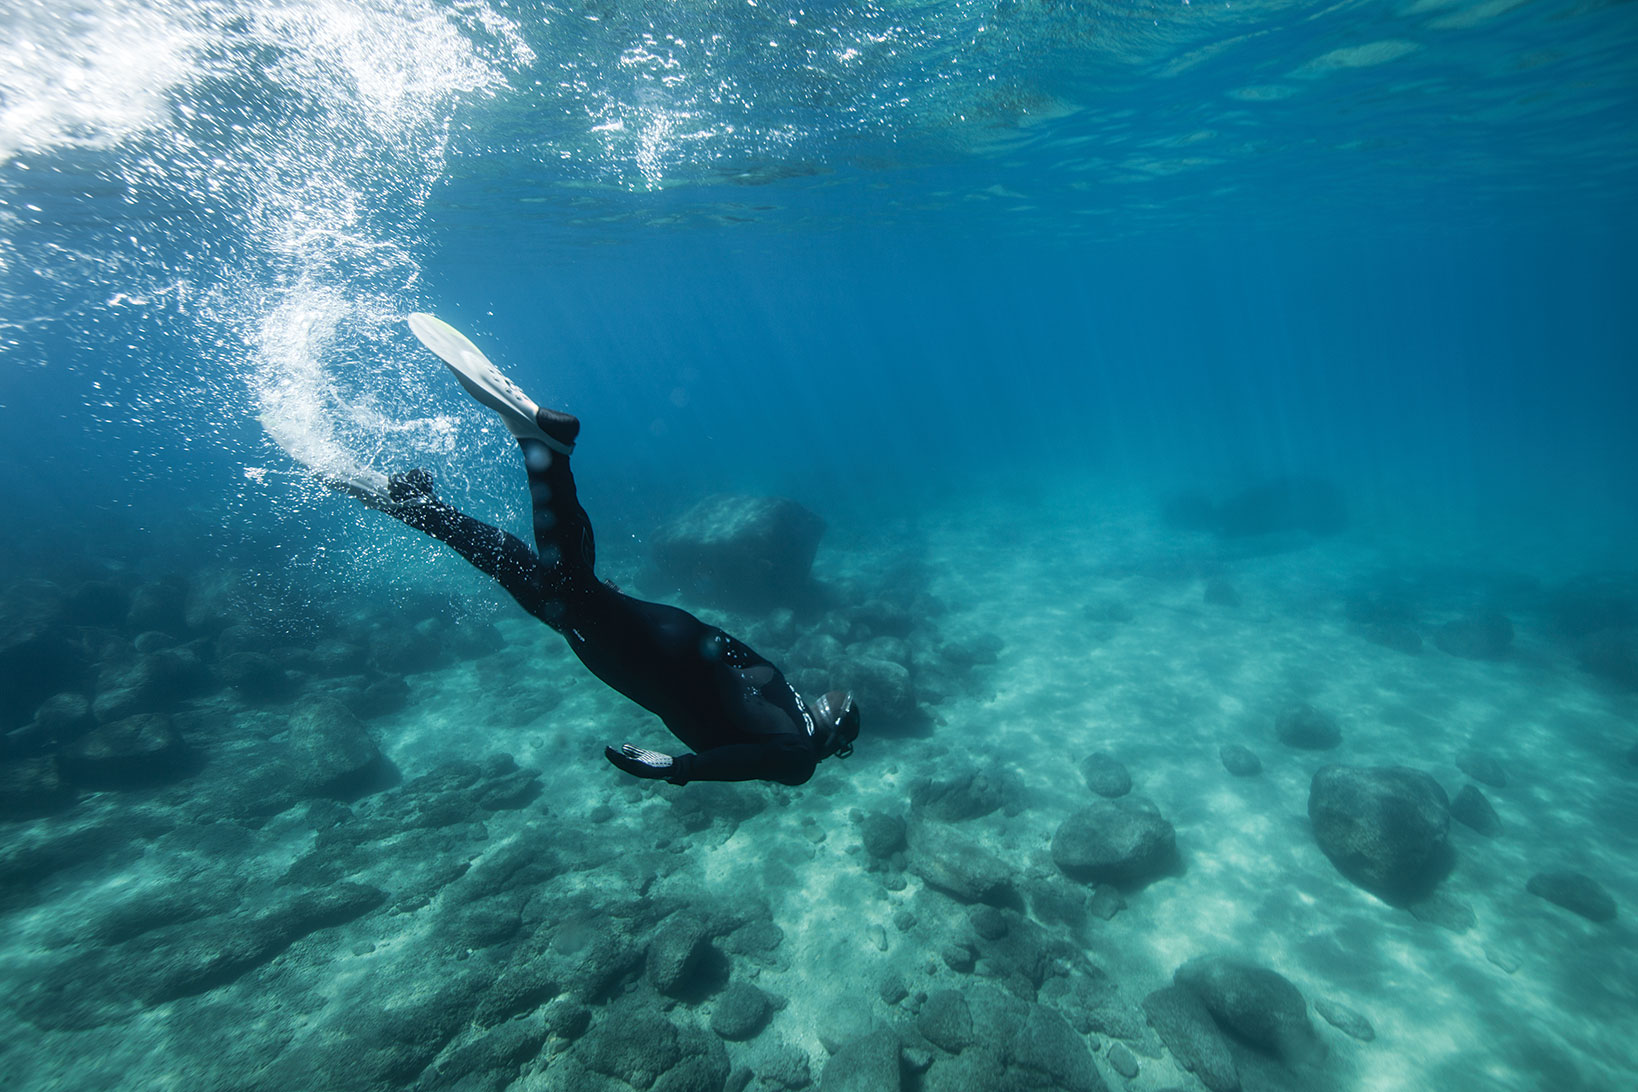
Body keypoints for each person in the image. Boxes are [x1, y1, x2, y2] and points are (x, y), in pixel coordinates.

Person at [272, 314, 859, 786]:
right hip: (645, 657)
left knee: (539, 585)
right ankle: (547, 446)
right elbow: (754, 762)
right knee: (564, 587)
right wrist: (678, 770)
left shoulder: (784, 689)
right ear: (831, 740)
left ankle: (420, 508)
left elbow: (724, 648)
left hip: (665, 637)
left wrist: (631, 615)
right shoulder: (800, 756)